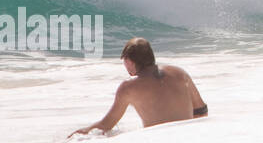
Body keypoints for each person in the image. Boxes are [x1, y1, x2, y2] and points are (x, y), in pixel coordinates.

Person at [70, 38, 207, 136]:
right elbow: (201, 111)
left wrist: (81, 133)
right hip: (189, 138)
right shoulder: (180, 73)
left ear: (129, 61)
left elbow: (106, 125)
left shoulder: (128, 87)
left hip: (160, 142)